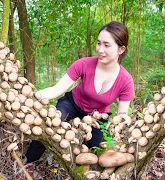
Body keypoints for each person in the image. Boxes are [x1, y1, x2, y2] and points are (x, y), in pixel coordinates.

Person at [25, 21, 135, 163]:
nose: (100, 49)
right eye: (98, 43)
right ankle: (28, 161)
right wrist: (32, 96)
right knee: (52, 122)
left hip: (99, 116)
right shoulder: (83, 64)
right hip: (72, 104)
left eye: (106, 45)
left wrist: (121, 130)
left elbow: (121, 115)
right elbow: (56, 89)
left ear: (121, 50)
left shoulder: (126, 80)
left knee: (101, 149)